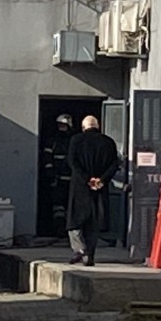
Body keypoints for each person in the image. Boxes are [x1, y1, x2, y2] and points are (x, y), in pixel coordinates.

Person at [66, 115, 120, 266]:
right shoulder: (108, 142)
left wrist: (87, 179)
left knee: (74, 221)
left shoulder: (76, 140)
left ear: (84, 128)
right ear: (98, 126)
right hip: (99, 188)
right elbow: (114, 164)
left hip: (80, 187)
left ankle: (80, 249)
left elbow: (72, 162)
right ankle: (89, 255)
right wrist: (102, 179)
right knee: (93, 223)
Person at [40, 114, 74, 234]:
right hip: (57, 178)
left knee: (70, 205)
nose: (61, 128)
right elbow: (47, 157)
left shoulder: (73, 141)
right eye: (59, 125)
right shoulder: (52, 141)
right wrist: (51, 173)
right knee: (58, 206)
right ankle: (59, 229)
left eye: (63, 125)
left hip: (71, 179)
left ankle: (69, 230)